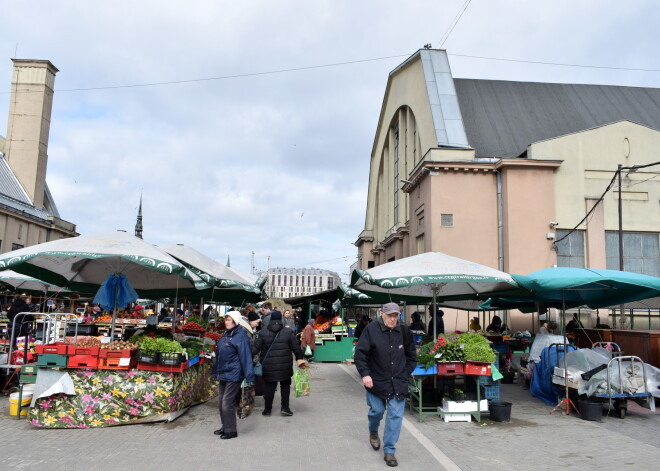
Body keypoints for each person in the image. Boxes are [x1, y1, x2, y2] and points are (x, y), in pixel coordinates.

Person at [354, 302, 416, 468]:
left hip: (398, 383)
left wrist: (406, 372)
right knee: (377, 411)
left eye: (395, 315)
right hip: (376, 382)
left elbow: (411, 356)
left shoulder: (404, 331)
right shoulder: (371, 330)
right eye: (390, 315)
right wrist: (365, 375)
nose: (393, 319)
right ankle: (373, 432)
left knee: (395, 415)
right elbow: (360, 355)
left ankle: (389, 450)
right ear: (382, 314)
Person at [253, 310, 306, 416]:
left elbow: (255, 349)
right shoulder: (288, 332)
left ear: (271, 319)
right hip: (285, 365)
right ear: (281, 319)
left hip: (268, 366)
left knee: (269, 387)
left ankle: (267, 410)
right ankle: (285, 408)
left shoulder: (263, 332)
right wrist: (300, 358)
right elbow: (296, 348)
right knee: (285, 386)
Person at [211, 310, 254, 439]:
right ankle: (225, 426)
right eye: (226, 319)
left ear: (235, 321)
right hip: (223, 372)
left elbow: (246, 356)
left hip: (234, 374)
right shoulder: (227, 334)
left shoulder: (240, 336)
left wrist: (249, 376)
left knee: (227, 403)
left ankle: (231, 430)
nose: (227, 322)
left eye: (229, 320)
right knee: (220, 402)